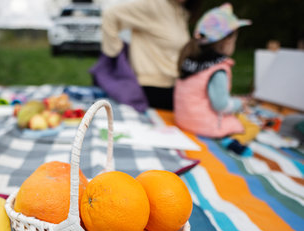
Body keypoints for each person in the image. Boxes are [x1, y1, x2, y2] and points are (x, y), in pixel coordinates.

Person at [174, 3, 260, 157]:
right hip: (204, 126)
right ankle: (234, 142)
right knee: (250, 125)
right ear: (227, 41)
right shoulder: (218, 68)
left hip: (183, 120)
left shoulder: (190, 60)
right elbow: (220, 105)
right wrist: (241, 103)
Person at [99, 0, 201, 111]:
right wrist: (116, 54)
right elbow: (111, 15)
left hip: (172, 85)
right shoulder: (153, 4)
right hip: (150, 89)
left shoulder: (180, 11)